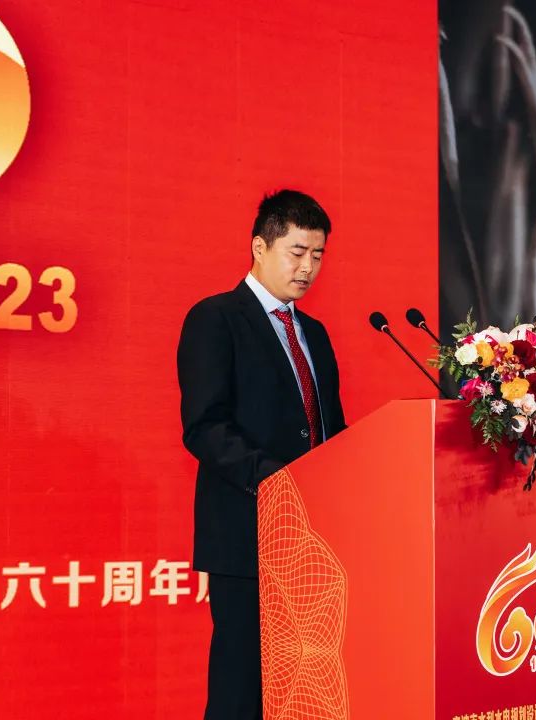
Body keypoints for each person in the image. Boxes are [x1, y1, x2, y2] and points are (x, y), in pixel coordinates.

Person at [176, 189, 346, 719]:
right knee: (242, 690)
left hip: (313, 543)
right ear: (259, 246)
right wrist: (282, 481)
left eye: (318, 255)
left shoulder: (314, 333)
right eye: (297, 252)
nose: (308, 267)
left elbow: (330, 429)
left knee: (304, 687)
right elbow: (204, 427)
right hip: (246, 532)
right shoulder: (216, 319)